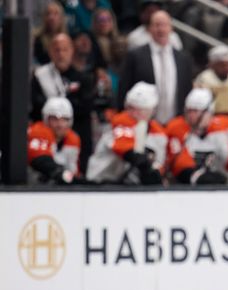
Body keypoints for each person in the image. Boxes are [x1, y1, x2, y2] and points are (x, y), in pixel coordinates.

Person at [166, 88, 228, 185]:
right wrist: (197, 176)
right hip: (178, 186)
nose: (192, 116)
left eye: (196, 111)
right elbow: (179, 160)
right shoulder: (176, 127)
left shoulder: (215, 128)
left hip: (210, 182)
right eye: (190, 111)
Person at [31, 32, 95, 173]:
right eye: (57, 50)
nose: (61, 54)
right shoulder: (40, 76)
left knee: (75, 172)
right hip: (46, 137)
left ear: (72, 51)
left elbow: (86, 107)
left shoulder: (84, 78)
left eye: (65, 49)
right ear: (50, 52)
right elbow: (35, 105)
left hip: (75, 135)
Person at [117, 10, 193, 125]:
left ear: (171, 28)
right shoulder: (135, 56)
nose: (161, 29)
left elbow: (187, 90)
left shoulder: (183, 58)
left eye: (164, 25)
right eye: (157, 25)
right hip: (143, 123)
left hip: (176, 123)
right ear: (149, 29)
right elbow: (124, 88)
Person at [86, 82, 167, 185]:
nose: (133, 113)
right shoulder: (120, 122)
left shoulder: (157, 131)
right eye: (130, 108)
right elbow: (131, 154)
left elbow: (158, 165)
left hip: (132, 185)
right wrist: (146, 160)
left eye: (139, 109)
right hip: (101, 182)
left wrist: (154, 173)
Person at [27, 97, 82, 185]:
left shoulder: (73, 139)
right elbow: (40, 161)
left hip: (59, 187)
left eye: (64, 119)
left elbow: (73, 172)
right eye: (55, 119)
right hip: (31, 187)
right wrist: (63, 175)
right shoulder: (37, 131)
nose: (60, 124)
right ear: (46, 119)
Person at [194, 45, 228, 116]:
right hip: (209, 116)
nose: (227, 68)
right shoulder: (203, 79)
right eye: (223, 65)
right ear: (213, 65)